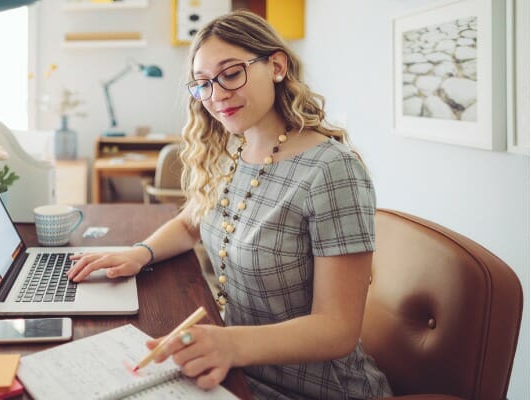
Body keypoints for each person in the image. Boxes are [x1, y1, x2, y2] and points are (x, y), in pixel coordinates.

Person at [68, 10, 392, 400]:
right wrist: (140, 253)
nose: (216, 95)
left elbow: (338, 329)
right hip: (239, 372)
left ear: (276, 66)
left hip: (313, 388)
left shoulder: (332, 171)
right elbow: (193, 220)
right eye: (202, 84)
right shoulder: (232, 149)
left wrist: (229, 344)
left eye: (231, 73)